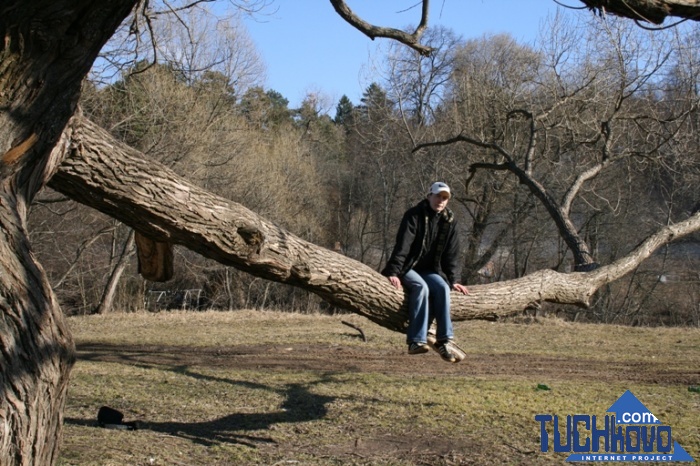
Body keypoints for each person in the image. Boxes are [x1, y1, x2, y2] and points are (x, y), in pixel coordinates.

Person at [381, 182, 469, 363]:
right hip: (408, 267)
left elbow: (451, 255)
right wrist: (393, 272)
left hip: (430, 270)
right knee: (421, 288)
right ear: (429, 196)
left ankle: (444, 340)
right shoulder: (414, 215)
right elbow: (402, 246)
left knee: (443, 289)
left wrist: (454, 280)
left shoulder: (449, 221)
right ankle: (416, 341)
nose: (441, 201)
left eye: (444, 198)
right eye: (438, 196)